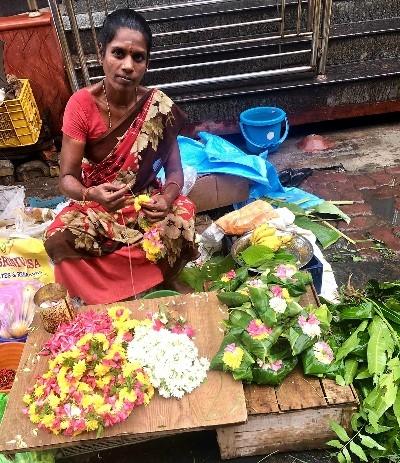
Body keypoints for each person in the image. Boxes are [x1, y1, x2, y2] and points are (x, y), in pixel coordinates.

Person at [45, 9, 197, 304]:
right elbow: (66, 179)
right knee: (58, 238)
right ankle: (112, 292)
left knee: (184, 216)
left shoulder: (158, 108)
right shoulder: (81, 105)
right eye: (118, 53)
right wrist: (92, 193)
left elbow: (175, 173)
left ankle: (155, 278)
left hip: (144, 204)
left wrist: (166, 199)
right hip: (99, 205)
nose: (127, 65)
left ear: (146, 64)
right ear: (101, 54)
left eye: (137, 57)